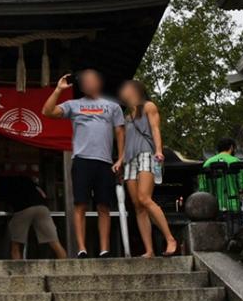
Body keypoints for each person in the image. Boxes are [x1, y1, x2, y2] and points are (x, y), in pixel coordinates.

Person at [43, 69, 124, 258]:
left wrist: (120, 158)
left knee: (103, 205)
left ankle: (104, 249)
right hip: (82, 160)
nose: (87, 82)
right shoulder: (74, 105)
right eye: (84, 80)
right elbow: (47, 111)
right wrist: (58, 90)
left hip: (104, 161)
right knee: (80, 204)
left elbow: (120, 132)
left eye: (91, 79)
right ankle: (81, 249)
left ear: (98, 82)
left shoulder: (112, 106)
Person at [118, 80, 178, 257]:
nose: (123, 91)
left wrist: (159, 150)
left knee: (144, 198)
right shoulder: (127, 117)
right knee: (137, 206)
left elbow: (155, 128)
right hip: (130, 159)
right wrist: (120, 160)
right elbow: (126, 142)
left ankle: (170, 239)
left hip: (146, 153)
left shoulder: (148, 106)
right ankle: (149, 249)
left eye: (126, 88)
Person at [0, 166, 67, 260]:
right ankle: (66, 267)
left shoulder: (0, 187)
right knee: (55, 243)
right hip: (42, 208)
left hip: (23, 211)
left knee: (16, 246)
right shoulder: (24, 178)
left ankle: (19, 271)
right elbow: (43, 195)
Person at [200, 137, 243, 237]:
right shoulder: (237, 162)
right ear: (231, 147)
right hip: (234, 206)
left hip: (213, 208)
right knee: (235, 235)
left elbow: (202, 189)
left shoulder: (207, 163)